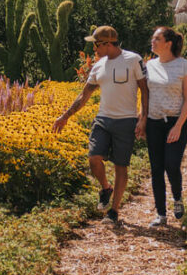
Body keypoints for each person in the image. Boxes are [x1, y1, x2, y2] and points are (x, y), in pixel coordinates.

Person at [52, 25, 148, 224]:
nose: (93, 49)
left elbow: (145, 90)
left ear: (106, 44)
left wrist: (143, 118)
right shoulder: (98, 66)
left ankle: (114, 211)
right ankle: (106, 188)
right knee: (94, 158)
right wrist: (65, 116)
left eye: (96, 45)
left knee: (121, 166)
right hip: (103, 120)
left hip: (126, 120)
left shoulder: (133, 60)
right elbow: (84, 95)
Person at [144, 26, 187, 227]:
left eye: (157, 38)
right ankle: (161, 214)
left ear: (168, 43)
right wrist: (142, 120)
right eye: (153, 38)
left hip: (176, 122)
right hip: (154, 123)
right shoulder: (149, 65)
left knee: (171, 164)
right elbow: (145, 97)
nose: (152, 42)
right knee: (156, 168)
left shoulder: (184, 66)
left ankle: (178, 197)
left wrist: (178, 126)